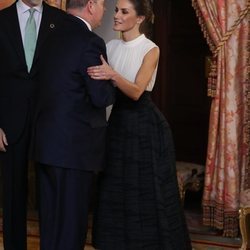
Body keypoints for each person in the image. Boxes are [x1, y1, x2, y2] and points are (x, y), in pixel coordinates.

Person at [87, 0, 192, 249]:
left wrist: (112, 74)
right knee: (116, 186)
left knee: (146, 191)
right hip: (117, 124)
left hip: (147, 128)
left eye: (124, 12)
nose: (116, 15)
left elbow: (136, 91)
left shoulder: (150, 49)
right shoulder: (109, 45)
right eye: (115, 10)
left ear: (140, 19)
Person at [33, 0, 115, 249]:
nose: (103, 10)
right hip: (74, 150)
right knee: (70, 228)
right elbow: (101, 96)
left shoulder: (46, 34)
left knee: (50, 226)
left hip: (46, 145)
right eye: (102, 3)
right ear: (91, 5)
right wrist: (112, 77)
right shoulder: (90, 42)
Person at [0, 1, 65, 249]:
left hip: (49, 121)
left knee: (50, 193)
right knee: (13, 196)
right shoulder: (2, 20)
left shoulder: (59, 20)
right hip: (9, 124)